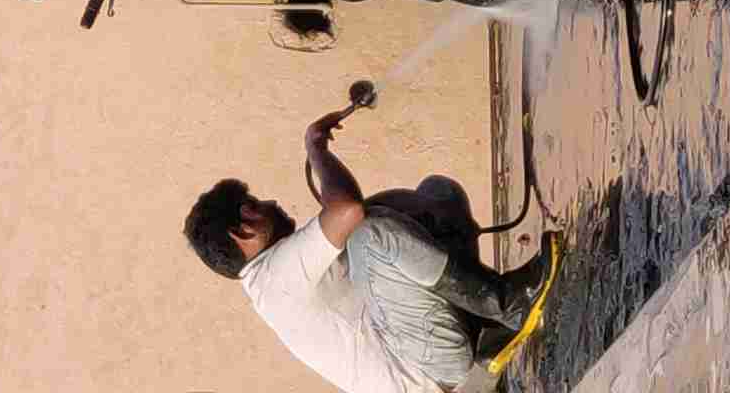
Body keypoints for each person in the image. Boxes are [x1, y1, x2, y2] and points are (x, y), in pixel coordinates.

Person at [183, 109, 553, 393]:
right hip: (430, 373)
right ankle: (509, 303)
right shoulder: (275, 278)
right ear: (243, 229)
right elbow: (348, 210)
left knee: (438, 194)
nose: (271, 201)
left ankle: (485, 325)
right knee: (369, 234)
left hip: (427, 348)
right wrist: (315, 149)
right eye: (254, 203)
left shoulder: (274, 278)